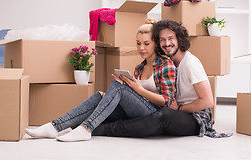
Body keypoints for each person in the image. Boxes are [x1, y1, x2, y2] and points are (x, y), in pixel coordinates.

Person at [25, 19, 176, 142]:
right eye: (138, 43)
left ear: (156, 43)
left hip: (154, 115)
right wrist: (121, 89)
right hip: (137, 111)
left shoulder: (165, 65)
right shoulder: (139, 67)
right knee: (101, 95)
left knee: (119, 87)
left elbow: (166, 101)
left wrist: (138, 90)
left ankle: (86, 129)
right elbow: (135, 98)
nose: (141, 48)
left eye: (146, 44)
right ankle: (54, 127)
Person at [92, 20, 231, 138]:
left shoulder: (190, 64)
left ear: (179, 39)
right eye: (162, 40)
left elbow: (208, 101)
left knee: (163, 115)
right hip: (174, 110)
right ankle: (90, 124)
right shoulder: (166, 62)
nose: (167, 43)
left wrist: (180, 108)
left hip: (196, 117)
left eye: (171, 38)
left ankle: (106, 129)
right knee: (148, 112)